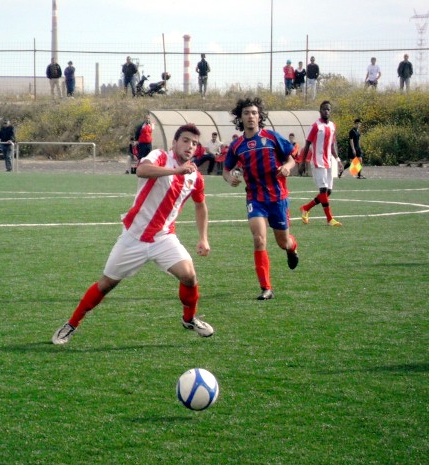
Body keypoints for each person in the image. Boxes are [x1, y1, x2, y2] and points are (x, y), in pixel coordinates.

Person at [52, 123, 214, 345]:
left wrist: (203, 238)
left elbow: (200, 206)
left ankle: (189, 319)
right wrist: (176, 171)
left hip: (164, 238)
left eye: (194, 143)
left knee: (189, 276)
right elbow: (142, 170)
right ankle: (72, 324)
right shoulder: (160, 156)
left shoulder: (195, 177)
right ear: (175, 142)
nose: (190, 146)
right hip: (134, 237)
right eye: (185, 140)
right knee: (106, 284)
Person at [223, 97, 299, 301]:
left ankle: (292, 248)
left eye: (254, 113)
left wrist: (287, 167)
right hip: (255, 199)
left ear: (259, 117)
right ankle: (266, 288)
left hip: (277, 197)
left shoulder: (271, 137)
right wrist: (229, 178)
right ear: (240, 117)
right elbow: (226, 169)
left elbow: (291, 159)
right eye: (246, 113)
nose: (251, 116)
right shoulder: (237, 145)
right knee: (258, 239)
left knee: (283, 242)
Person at [299, 100, 343, 227]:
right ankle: (330, 219)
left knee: (328, 192)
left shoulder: (333, 126)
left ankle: (306, 208)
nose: (326, 111)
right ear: (320, 111)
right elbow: (307, 144)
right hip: (318, 161)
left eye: (328, 109)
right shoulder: (315, 126)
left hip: (328, 161)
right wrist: (303, 162)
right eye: (324, 109)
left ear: (330, 111)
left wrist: (338, 160)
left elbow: (332, 146)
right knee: (323, 190)